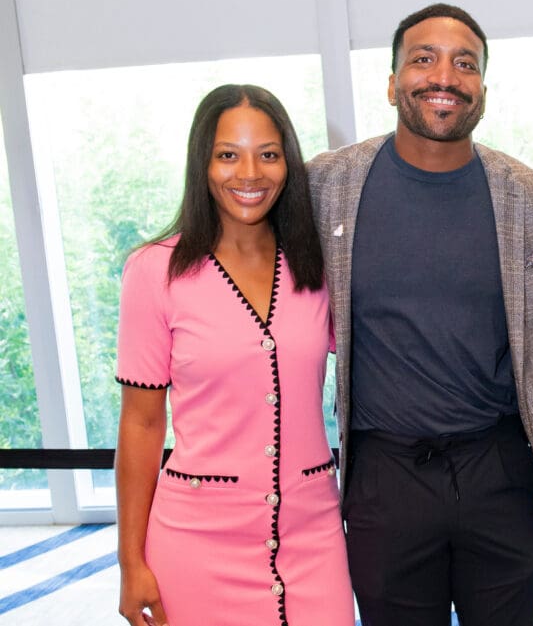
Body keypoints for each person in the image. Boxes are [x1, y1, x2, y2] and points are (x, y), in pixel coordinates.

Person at [306, 3, 533, 626]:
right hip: (385, 478)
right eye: (423, 59)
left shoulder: (531, 196)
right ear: (391, 83)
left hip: (499, 470)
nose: (445, 76)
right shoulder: (326, 184)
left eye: (465, 64)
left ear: (482, 88)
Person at [115, 84, 354, 626]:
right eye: (229, 155)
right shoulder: (155, 272)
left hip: (314, 534)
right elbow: (142, 424)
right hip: (196, 543)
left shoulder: (317, 265)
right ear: (202, 162)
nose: (250, 173)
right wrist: (131, 560)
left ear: (288, 164)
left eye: (268, 154)